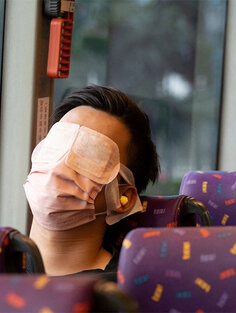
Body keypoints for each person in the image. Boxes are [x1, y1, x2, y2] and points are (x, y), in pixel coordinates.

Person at [23, 85, 159, 280]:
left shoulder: (119, 296)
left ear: (123, 198)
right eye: (57, 144)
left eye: (90, 153)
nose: (60, 163)